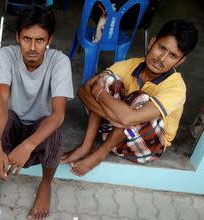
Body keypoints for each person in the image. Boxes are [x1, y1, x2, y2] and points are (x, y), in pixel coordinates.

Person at [61, 19, 198, 176]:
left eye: (172, 55)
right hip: (114, 129)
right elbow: (83, 91)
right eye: (161, 48)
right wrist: (109, 112)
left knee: (140, 100)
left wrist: (99, 92)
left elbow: (128, 118)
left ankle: (99, 155)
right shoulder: (132, 65)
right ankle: (86, 145)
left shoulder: (176, 88)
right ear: (151, 43)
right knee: (106, 80)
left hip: (146, 144)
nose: (162, 58)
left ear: (180, 61)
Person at [0, 5, 74, 220]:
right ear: (17, 37)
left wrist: (28, 145)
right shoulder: (6, 55)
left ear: (49, 39)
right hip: (13, 122)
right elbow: (0, 104)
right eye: (26, 39)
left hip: (40, 129)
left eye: (40, 40)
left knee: (54, 131)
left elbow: (58, 114)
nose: (32, 47)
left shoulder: (59, 61)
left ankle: (45, 185)